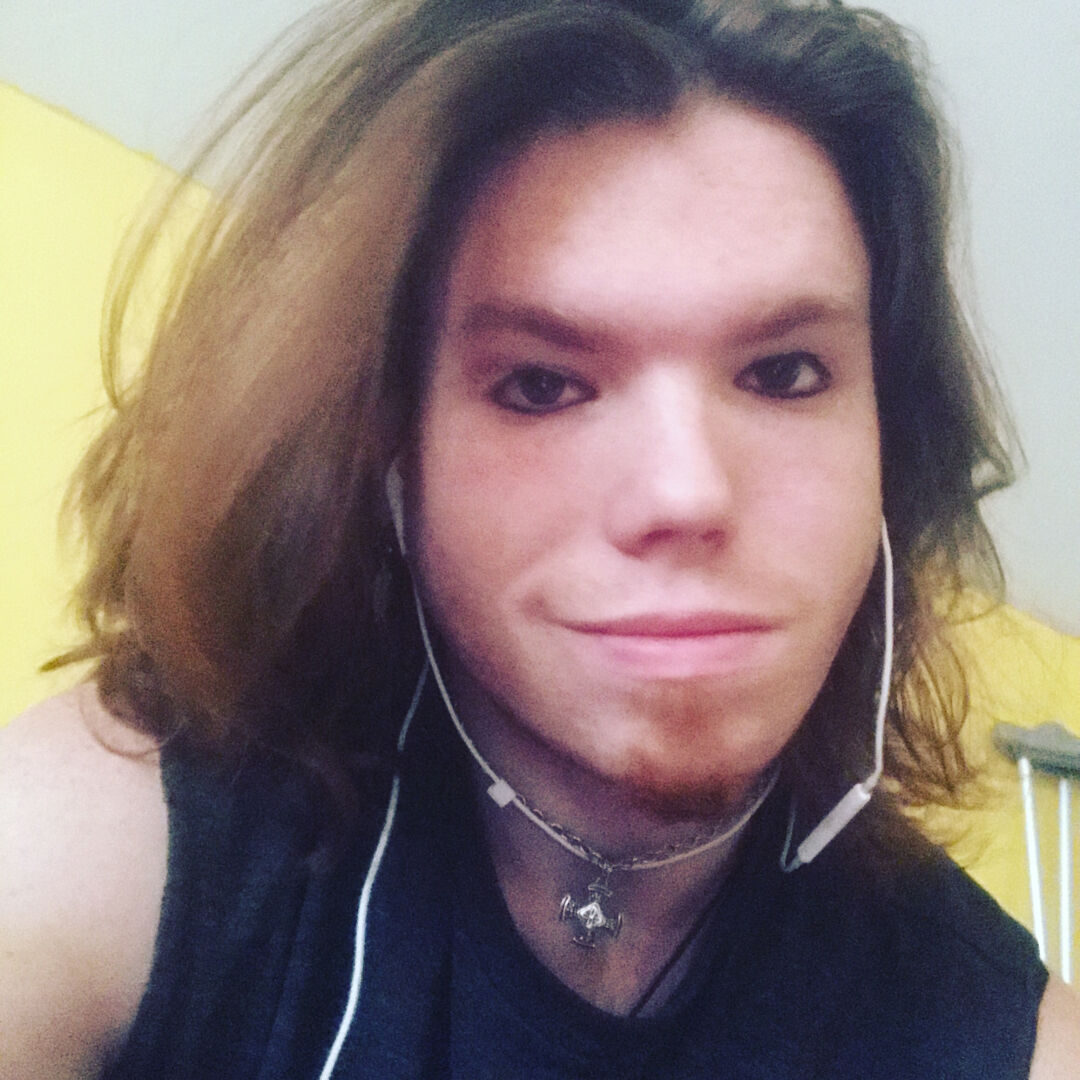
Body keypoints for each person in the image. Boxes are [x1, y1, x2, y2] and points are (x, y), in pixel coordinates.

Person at [2, 0, 1078, 1076]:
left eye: (784, 373)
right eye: (541, 384)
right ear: (384, 448)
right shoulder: (99, 857)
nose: (686, 493)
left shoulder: (1006, 1038)